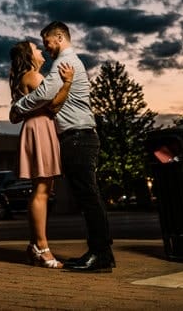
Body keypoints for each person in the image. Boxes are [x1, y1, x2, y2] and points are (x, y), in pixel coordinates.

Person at [11, 21, 114, 273]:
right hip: (76, 135)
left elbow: (45, 95)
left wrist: (16, 109)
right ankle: (99, 252)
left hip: (78, 136)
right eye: (40, 46)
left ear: (59, 38)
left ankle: (100, 254)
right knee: (86, 195)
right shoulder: (67, 63)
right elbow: (50, 99)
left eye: (46, 42)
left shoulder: (64, 63)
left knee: (88, 196)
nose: (45, 49)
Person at [9, 40, 74, 269]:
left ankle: (34, 246)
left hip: (38, 129)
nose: (40, 51)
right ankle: (42, 248)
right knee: (41, 190)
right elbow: (54, 106)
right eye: (36, 48)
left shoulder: (26, 77)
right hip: (39, 129)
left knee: (44, 189)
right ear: (29, 55)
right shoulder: (32, 76)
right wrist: (67, 83)